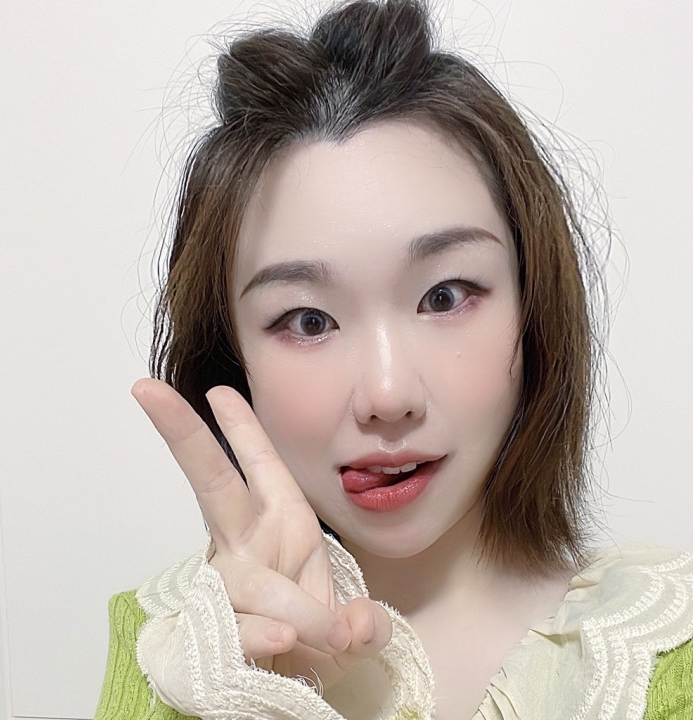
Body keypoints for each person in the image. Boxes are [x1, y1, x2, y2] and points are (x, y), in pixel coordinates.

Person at [94, 1, 693, 718]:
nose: (387, 394)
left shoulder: (664, 647)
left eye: (445, 296)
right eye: (308, 321)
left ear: (533, 307)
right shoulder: (169, 655)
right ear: (233, 359)